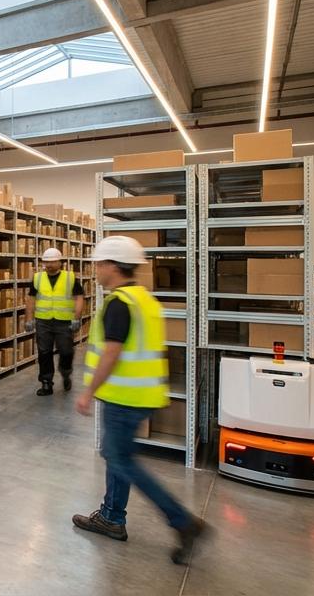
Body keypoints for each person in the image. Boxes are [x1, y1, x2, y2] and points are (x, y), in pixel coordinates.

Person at [72, 235, 207, 564]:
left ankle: (182, 521)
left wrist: (88, 391)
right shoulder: (144, 299)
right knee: (115, 455)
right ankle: (112, 517)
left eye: (100, 264)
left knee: (121, 460)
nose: (96, 270)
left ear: (113, 266)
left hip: (124, 396)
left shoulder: (119, 303)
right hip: (141, 394)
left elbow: (112, 352)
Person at [25, 247, 85, 395]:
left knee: (66, 351)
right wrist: (29, 319)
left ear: (60, 262)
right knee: (44, 352)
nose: (49, 265)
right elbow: (31, 298)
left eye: (52, 262)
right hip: (43, 321)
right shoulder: (38, 278)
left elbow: (79, 297)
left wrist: (76, 318)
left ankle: (65, 373)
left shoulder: (70, 277)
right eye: (46, 262)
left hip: (64, 322)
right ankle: (46, 383)